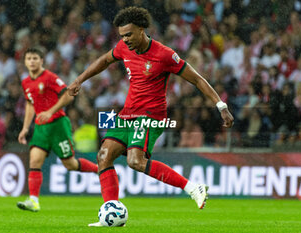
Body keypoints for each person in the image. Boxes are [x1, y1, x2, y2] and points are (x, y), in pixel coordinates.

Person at [67, 7, 234, 227]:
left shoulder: (164, 54)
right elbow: (105, 60)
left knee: (135, 161)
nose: (125, 40)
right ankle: (111, 212)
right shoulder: (123, 48)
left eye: (129, 34)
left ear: (142, 29)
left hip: (150, 115)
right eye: (122, 36)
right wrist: (80, 79)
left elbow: (197, 79)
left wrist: (220, 104)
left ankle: (193, 188)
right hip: (127, 113)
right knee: (103, 156)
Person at [16, 48, 98, 212]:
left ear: (42, 61)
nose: (31, 61)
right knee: (34, 161)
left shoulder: (50, 78)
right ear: (25, 62)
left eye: (35, 58)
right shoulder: (26, 82)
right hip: (41, 127)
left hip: (58, 124)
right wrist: (25, 128)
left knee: (70, 164)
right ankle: (33, 200)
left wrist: (50, 111)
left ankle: (100, 170)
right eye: (29, 59)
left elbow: (68, 94)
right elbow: (30, 104)